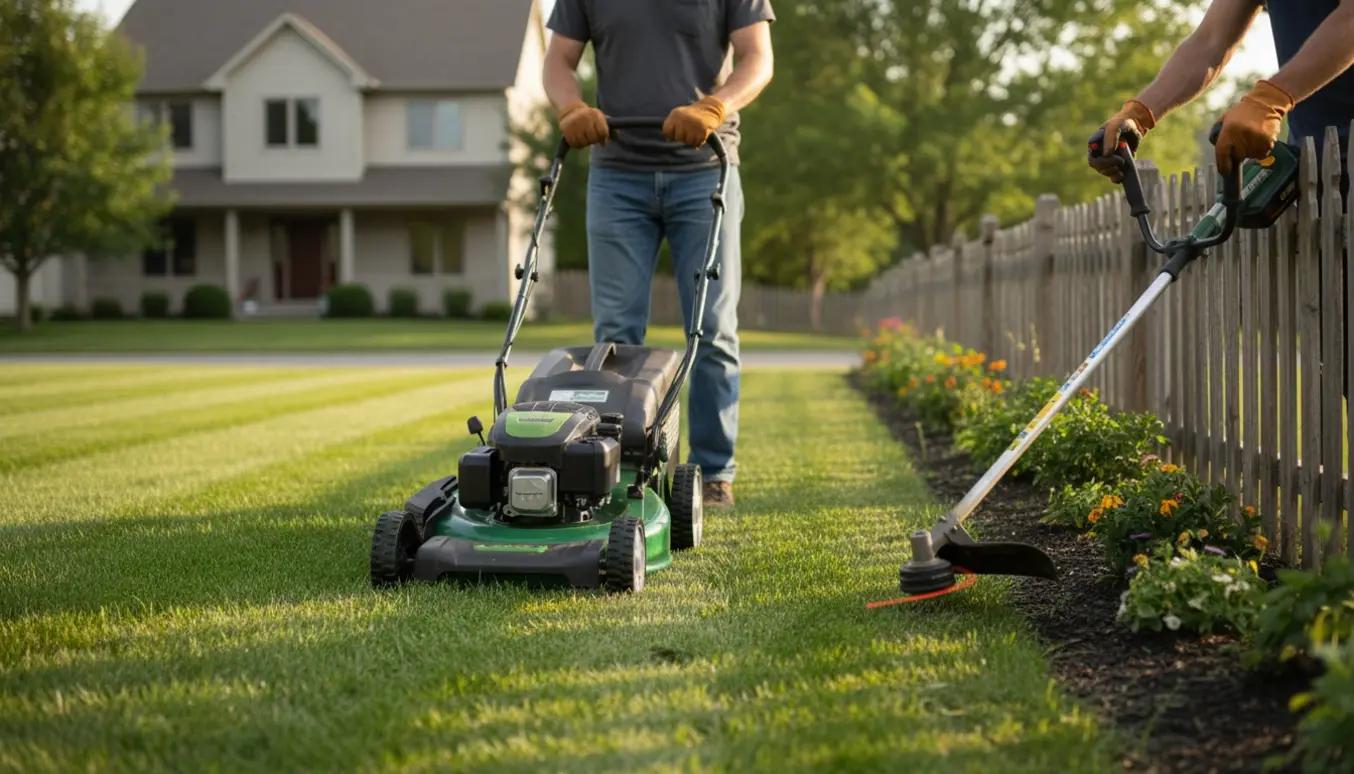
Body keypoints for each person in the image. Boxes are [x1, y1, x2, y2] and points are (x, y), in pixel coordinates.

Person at [541, 0, 776, 509]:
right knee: (616, 338)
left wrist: (714, 106)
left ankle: (714, 473)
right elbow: (558, 60)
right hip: (617, 175)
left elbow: (758, 58)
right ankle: (621, 470)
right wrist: (571, 108)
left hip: (704, 168)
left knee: (711, 329)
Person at [1088, 0, 1352, 393]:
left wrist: (1269, 99)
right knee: (1344, 360)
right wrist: (1141, 112)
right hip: (1326, 173)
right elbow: (1210, 41)